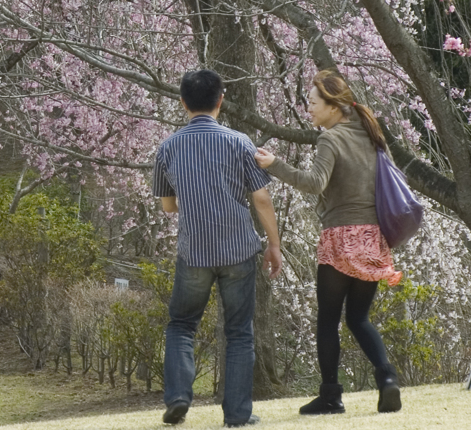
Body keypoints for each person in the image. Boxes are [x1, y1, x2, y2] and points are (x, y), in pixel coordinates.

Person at [254, 69, 402, 415]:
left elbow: (315, 182)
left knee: (328, 320)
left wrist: (275, 164)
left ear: (333, 106)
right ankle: (388, 379)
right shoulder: (372, 134)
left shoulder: (331, 139)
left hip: (340, 235)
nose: (308, 109)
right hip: (372, 237)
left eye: (313, 103)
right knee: (359, 318)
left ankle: (331, 395)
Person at [153, 69, 283, 428]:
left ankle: (179, 397)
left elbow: (167, 206)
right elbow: (261, 199)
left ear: (182, 103)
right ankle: (238, 415)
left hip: (194, 252)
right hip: (238, 251)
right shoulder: (239, 142)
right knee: (239, 331)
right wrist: (274, 244)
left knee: (181, 325)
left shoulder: (168, 147)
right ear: (220, 100)